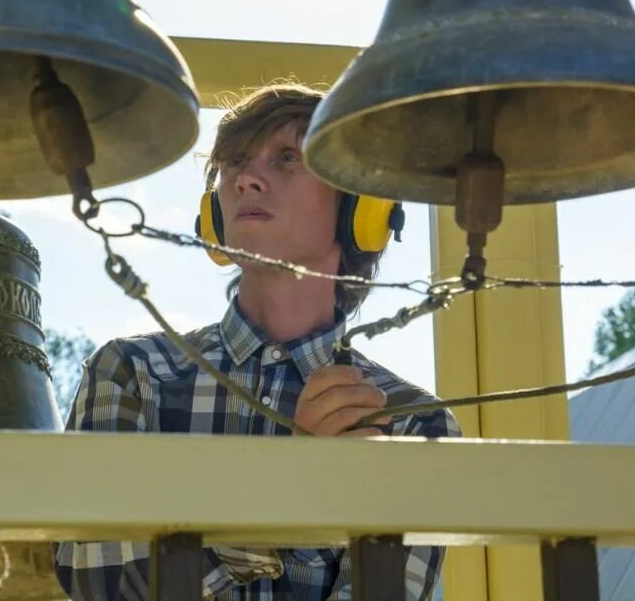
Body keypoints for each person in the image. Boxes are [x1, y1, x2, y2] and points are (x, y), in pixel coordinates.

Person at [54, 83, 460, 600]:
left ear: (360, 207)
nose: (246, 178)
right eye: (233, 163)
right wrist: (287, 493)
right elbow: (101, 581)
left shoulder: (411, 421)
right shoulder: (130, 373)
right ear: (213, 213)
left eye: (287, 158)